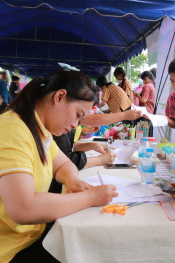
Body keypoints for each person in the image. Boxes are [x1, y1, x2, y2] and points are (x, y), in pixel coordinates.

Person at [0, 70, 118, 263]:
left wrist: (72, 180)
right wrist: (89, 197)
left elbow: (63, 163)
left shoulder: (39, 130)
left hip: (30, 236)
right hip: (11, 250)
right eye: (78, 115)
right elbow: (22, 207)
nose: (76, 125)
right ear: (60, 97)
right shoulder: (14, 129)